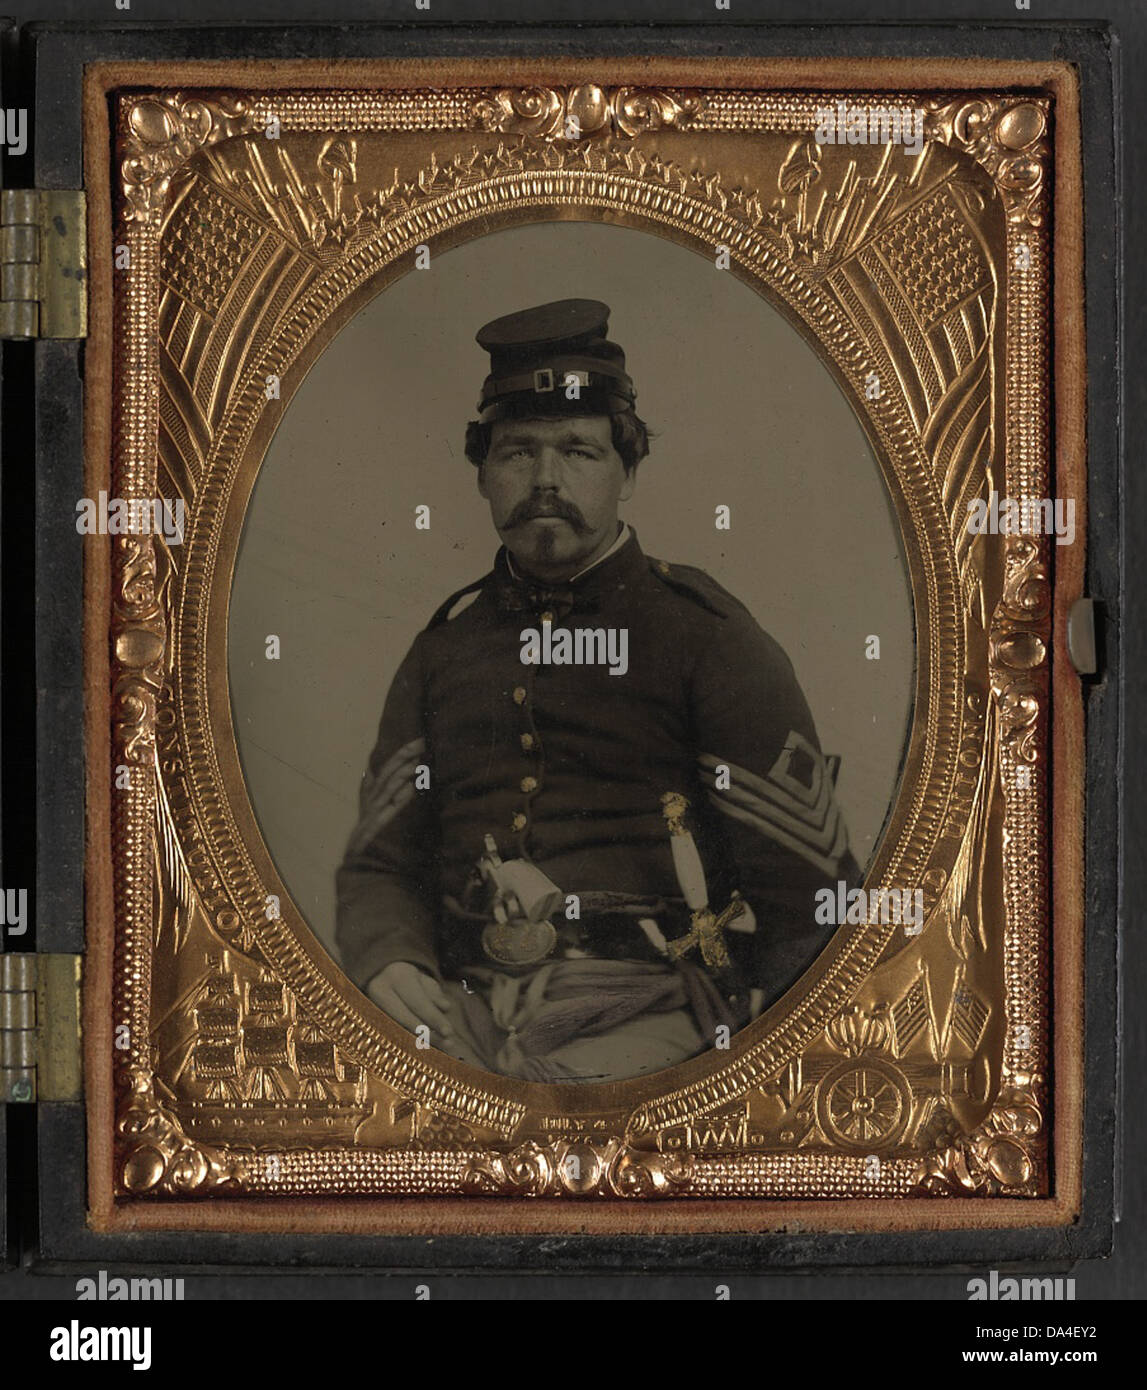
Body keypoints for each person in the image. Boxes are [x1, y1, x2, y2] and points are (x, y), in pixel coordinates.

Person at [336, 298, 858, 1082]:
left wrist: (752, 1060)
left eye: (578, 451)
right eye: (517, 452)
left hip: (645, 1009)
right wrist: (389, 961)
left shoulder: (706, 638)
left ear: (629, 471)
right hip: (463, 1005)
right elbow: (378, 866)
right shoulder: (443, 650)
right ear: (480, 472)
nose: (544, 480)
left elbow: (814, 898)